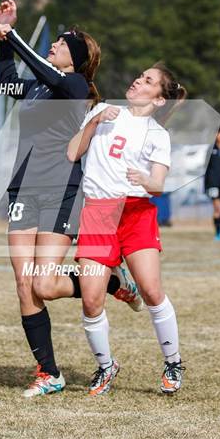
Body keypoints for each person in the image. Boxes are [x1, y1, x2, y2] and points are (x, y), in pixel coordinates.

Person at [0, 0, 143, 398]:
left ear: (75, 56)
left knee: (45, 285)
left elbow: (51, 75)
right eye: (53, 41)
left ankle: (109, 280)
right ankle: (49, 372)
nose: (54, 45)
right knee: (25, 286)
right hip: (23, 187)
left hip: (61, 189)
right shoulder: (41, 83)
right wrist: (5, 40)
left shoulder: (74, 84)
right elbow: (8, 82)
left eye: (60, 43)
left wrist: (15, 36)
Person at [67, 63, 187, 396]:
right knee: (91, 301)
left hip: (135, 213)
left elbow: (159, 185)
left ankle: (173, 362)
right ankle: (106, 367)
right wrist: (92, 123)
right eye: (140, 76)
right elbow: (72, 152)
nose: (138, 80)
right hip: (97, 213)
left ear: (159, 99)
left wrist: (144, 179)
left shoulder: (157, 135)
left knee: (150, 291)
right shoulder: (105, 110)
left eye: (148, 80)